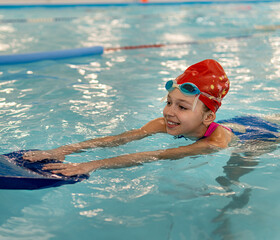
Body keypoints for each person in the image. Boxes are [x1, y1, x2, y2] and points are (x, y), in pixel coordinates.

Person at [23, 59, 278, 176]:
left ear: (207, 116)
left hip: (260, 138)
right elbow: (121, 139)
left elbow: (154, 155)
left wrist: (91, 165)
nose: (169, 112)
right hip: (242, 122)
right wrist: (63, 149)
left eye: (182, 107)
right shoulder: (165, 123)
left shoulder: (213, 143)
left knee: (232, 177)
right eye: (169, 102)